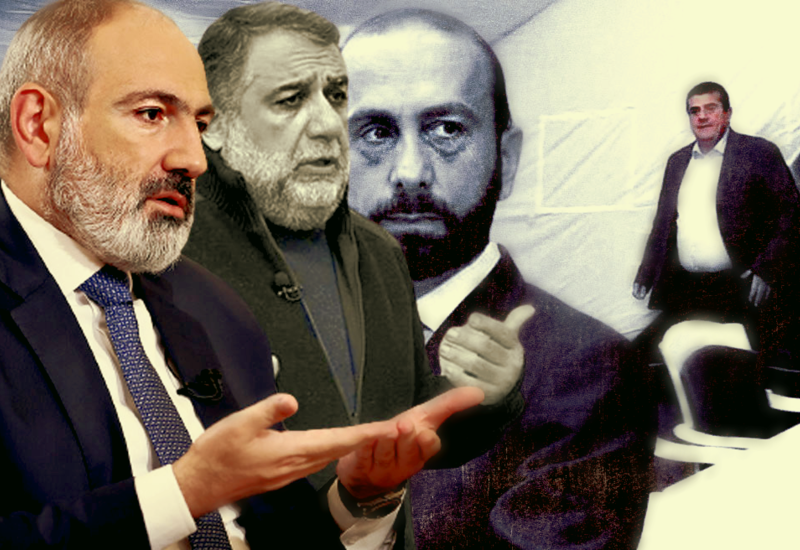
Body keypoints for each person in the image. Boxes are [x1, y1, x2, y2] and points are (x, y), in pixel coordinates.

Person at [0, 1, 487, 548]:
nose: (193, 159)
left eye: (199, 124)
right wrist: (183, 493)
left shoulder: (213, 307)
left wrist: (357, 498)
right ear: (39, 125)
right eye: (152, 114)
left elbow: (277, 528)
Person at [184, 5, 530, 547]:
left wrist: (486, 396)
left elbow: (407, 425)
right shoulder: (164, 258)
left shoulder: (378, 250)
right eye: (291, 99)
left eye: (336, 96)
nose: (328, 124)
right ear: (215, 124)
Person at [342, 9, 654, 550]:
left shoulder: (587, 373)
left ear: (506, 160)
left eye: (446, 129)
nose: (410, 171)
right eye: (376, 132)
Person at [633, 82, 800, 366]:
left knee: (748, 365)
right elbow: (663, 222)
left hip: (741, 287)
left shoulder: (758, 153)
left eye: (710, 108)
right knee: (651, 358)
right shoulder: (678, 162)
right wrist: (646, 273)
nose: (702, 116)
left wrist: (766, 269)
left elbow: (791, 215)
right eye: (694, 111)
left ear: (727, 113)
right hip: (690, 288)